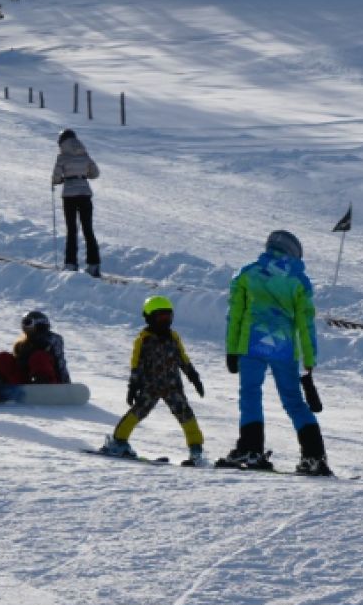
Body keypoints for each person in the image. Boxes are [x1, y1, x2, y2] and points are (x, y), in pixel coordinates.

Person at [219, 231, 332, 476]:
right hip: (284, 348)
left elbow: (235, 315)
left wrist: (231, 350)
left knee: (250, 395)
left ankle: (251, 449)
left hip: (251, 343)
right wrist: (310, 359)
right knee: (293, 401)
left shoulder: (248, 273)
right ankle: (314, 457)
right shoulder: (299, 280)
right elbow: (306, 323)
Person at [101, 296, 208, 465]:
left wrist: (194, 377)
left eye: (168, 317)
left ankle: (196, 452)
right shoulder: (143, 340)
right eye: (161, 317)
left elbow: (183, 358)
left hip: (173, 386)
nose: (165, 321)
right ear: (150, 318)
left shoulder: (173, 337)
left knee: (186, 415)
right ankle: (118, 442)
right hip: (150, 386)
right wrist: (133, 386)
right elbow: (136, 364)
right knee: (138, 412)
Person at [51, 128, 102, 277]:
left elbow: (55, 177)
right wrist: (83, 175)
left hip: (69, 196)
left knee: (72, 230)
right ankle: (94, 265)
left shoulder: (62, 156)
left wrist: (60, 180)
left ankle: (70, 264)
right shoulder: (84, 153)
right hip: (85, 194)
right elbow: (95, 173)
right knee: (88, 229)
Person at [0, 310, 70, 385]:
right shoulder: (22, 343)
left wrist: (66, 385)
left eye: (27, 323)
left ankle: (42, 382)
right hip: (24, 381)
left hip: (51, 382)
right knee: (3, 356)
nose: (24, 326)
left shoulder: (53, 339)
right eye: (23, 323)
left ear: (39, 324)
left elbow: (60, 364)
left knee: (39, 356)